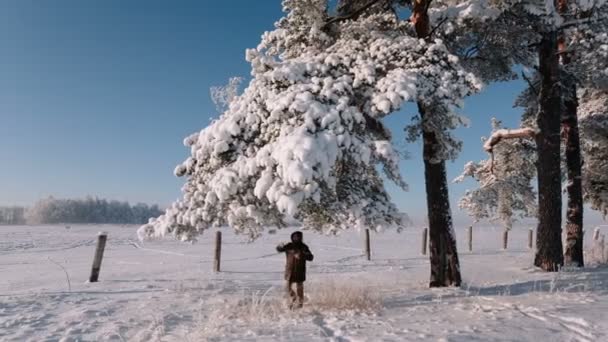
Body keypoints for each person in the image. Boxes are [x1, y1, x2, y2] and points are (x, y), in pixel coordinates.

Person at [276, 231, 314, 308]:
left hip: (300, 270)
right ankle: (294, 298)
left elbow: (311, 257)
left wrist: (302, 255)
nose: (296, 238)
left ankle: (300, 304)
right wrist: (279, 246)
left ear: (301, 237)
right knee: (287, 288)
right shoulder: (289, 245)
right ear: (292, 237)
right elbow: (280, 249)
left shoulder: (304, 247)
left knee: (299, 288)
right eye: (294, 237)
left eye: (298, 237)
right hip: (289, 270)